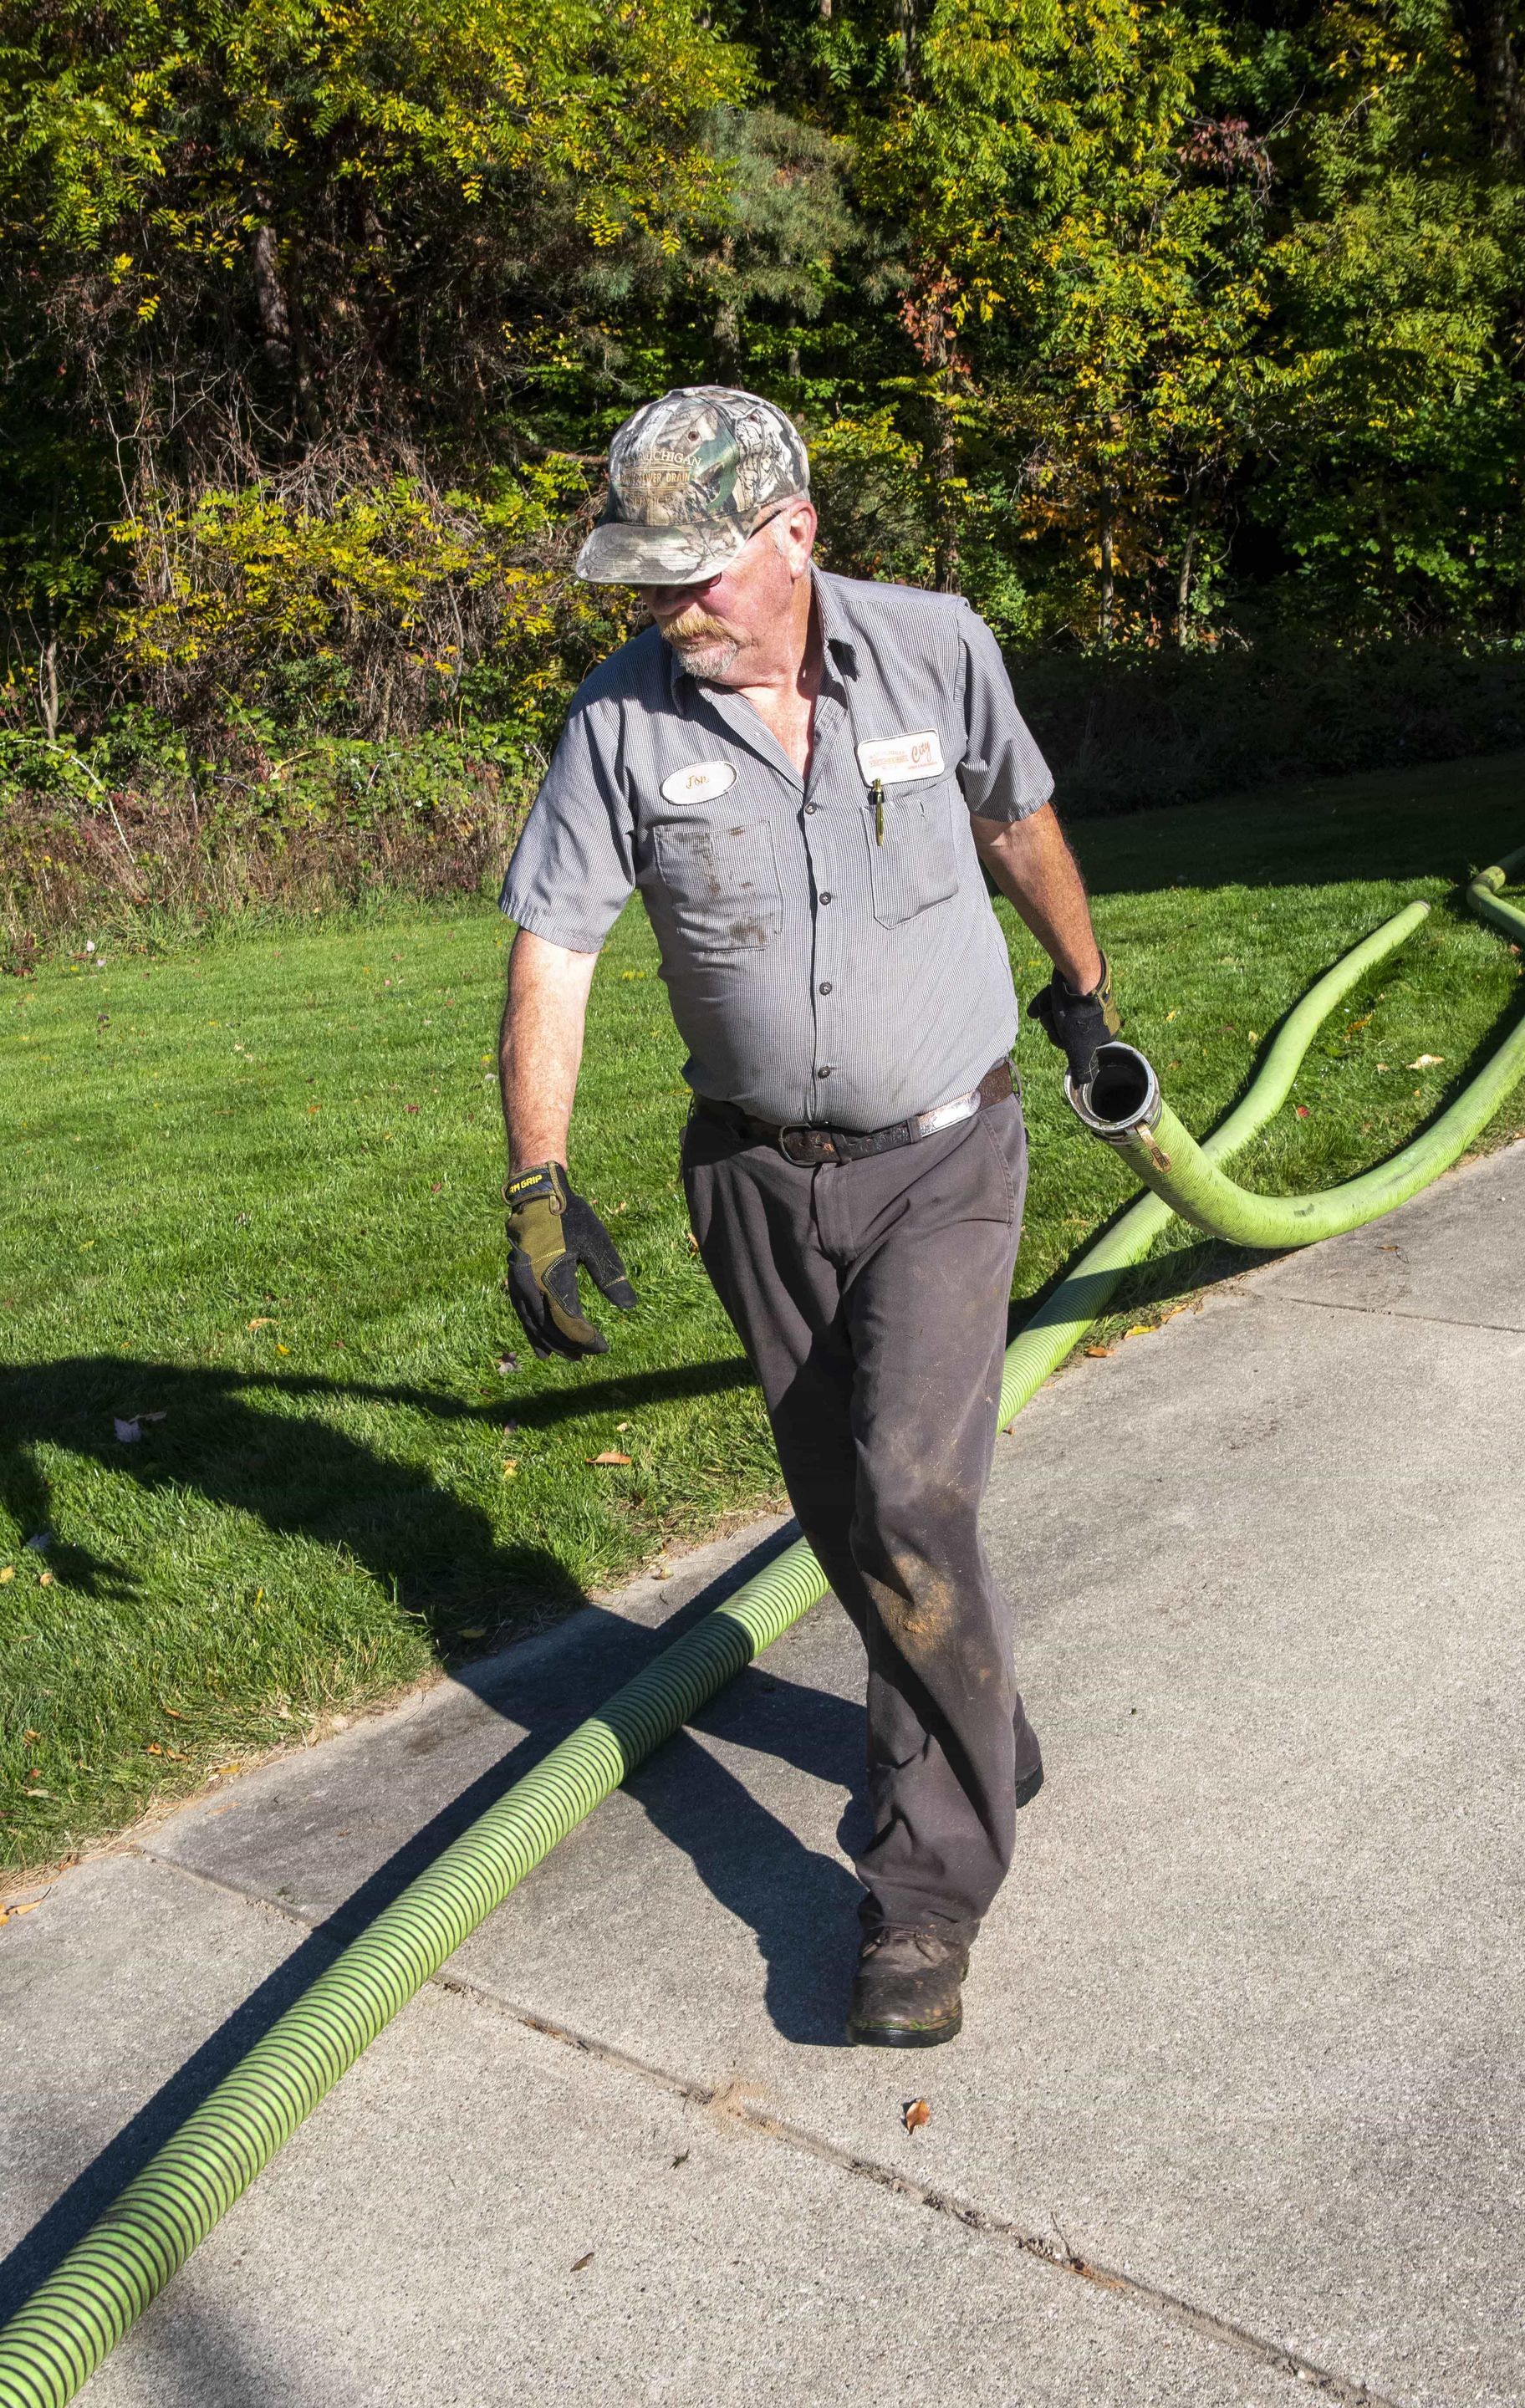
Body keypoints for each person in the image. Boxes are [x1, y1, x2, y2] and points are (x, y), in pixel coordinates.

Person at [496, 386, 1116, 2048]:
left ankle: (921, 1889)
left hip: (944, 1152)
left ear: (797, 536)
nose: (667, 607)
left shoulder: (932, 648)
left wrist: (1085, 988)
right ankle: (983, 1727)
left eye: (697, 574)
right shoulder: (619, 725)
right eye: (643, 580)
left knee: (913, 1493)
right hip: (756, 1176)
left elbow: (1014, 815)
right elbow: (555, 954)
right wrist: (536, 1182)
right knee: (848, 1515)